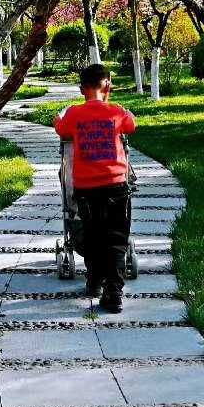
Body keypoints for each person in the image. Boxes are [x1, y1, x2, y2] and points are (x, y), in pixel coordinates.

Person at [53, 63, 137, 313]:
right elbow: (133, 125)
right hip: (116, 186)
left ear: (81, 90)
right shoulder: (117, 111)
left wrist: (57, 118)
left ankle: (94, 279)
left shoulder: (74, 115)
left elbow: (60, 128)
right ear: (108, 86)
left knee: (92, 235)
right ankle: (114, 291)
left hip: (86, 188)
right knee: (116, 238)